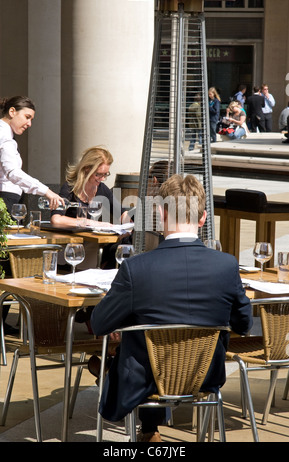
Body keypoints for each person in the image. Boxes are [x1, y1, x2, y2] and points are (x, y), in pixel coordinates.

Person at [90, 173, 253, 442]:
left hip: (147, 379)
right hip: (205, 376)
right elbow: (244, 324)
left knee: (133, 346)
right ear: (202, 219)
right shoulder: (226, 266)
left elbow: (99, 324)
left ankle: (131, 407)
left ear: (160, 214)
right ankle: (149, 429)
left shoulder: (136, 268)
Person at [51, 146, 131, 269]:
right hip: (70, 247)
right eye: (98, 174)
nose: (103, 178)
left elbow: (121, 213)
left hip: (91, 246)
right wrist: (89, 222)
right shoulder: (70, 188)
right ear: (86, 169)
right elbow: (56, 219)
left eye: (106, 174)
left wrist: (129, 224)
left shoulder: (102, 188)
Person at [0, 96, 64, 214]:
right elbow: (12, 172)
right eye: (27, 117)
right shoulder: (4, 136)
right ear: (12, 112)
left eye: (31, 120)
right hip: (5, 200)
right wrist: (47, 191)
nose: (29, 124)